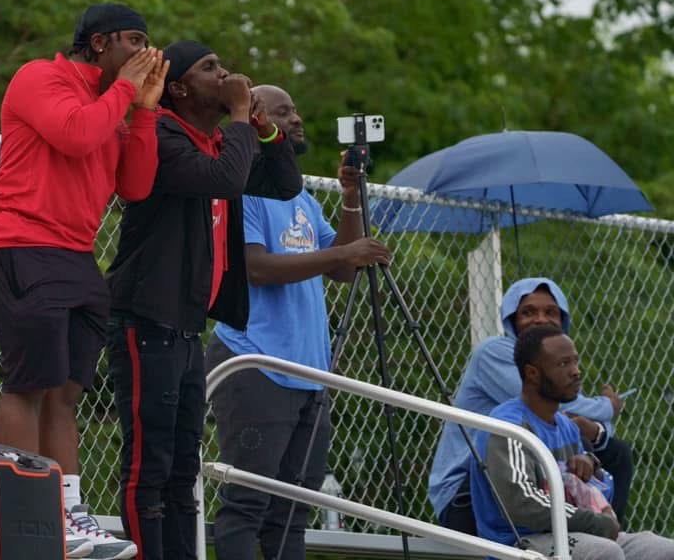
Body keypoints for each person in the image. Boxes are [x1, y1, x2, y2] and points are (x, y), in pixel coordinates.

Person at [0, 2, 169, 560]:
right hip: (21, 243)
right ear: (100, 43)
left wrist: (144, 113)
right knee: (29, 382)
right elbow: (76, 136)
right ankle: (20, 512)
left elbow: (136, 185)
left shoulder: (114, 105)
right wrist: (125, 92)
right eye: (134, 40)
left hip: (76, 255)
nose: (145, 52)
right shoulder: (42, 77)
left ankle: (66, 512)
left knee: (65, 391)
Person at [105, 43, 304, 560]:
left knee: (183, 468)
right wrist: (239, 115)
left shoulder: (218, 143)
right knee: (150, 462)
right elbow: (225, 180)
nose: (225, 73)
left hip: (187, 326)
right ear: (178, 88)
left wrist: (263, 129)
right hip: (146, 318)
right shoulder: (165, 136)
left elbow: (286, 184)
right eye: (209, 68)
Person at [204, 84, 392, 560]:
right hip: (255, 363)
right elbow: (256, 267)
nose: (297, 119)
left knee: (293, 511)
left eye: (296, 110)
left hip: (308, 372)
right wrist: (343, 254)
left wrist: (350, 198)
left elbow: (343, 269)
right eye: (284, 111)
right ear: (257, 118)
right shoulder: (243, 188)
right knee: (247, 502)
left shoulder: (300, 196)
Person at [429, 277, 634, 534]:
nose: (540, 319)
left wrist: (598, 430)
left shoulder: (555, 362)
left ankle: (607, 528)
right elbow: (571, 408)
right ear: (511, 320)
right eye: (528, 312)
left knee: (615, 452)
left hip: (532, 477)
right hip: (469, 492)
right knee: (592, 447)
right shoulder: (495, 352)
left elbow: (572, 414)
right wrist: (608, 407)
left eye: (551, 312)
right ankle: (598, 531)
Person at [470, 324, 674, 559]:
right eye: (563, 364)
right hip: (519, 542)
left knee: (665, 550)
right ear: (532, 373)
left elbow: (597, 494)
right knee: (605, 552)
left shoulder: (565, 425)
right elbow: (522, 503)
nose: (576, 371)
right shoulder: (508, 427)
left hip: (573, 532)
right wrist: (594, 523)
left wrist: (592, 467)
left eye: (575, 361)